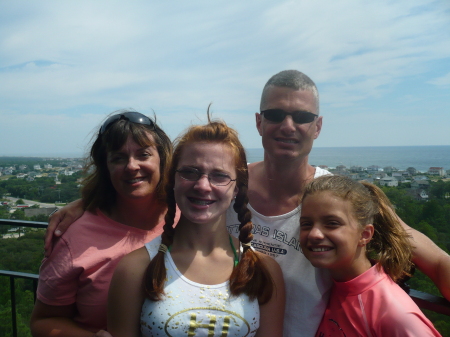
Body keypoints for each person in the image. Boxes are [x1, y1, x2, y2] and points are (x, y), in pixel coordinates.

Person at [45, 70, 450, 337]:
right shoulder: (217, 186)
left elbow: (434, 260)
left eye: (302, 117)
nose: (288, 126)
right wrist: (85, 203)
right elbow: (145, 185)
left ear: (318, 126)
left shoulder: (335, 199)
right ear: (259, 122)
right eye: (275, 114)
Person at [106, 115, 285, 337]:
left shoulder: (263, 271)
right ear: (173, 181)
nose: (202, 186)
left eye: (219, 176)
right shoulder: (135, 269)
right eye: (190, 172)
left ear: (236, 189)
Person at [30, 110, 175, 336]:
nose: (131, 166)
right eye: (118, 158)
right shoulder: (74, 236)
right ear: (105, 168)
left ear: (162, 158)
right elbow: (44, 321)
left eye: (143, 154)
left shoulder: (186, 216)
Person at [299, 175, 442, 336]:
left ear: (365, 234)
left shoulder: (394, 314)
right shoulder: (334, 288)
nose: (314, 234)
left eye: (332, 223)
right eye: (306, 224)